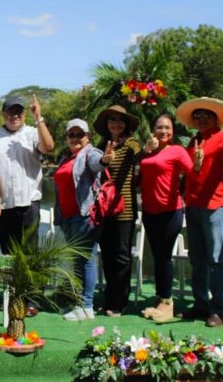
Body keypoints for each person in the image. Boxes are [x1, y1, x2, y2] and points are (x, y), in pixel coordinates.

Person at [175, 97, 223, 327]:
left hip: (216, 204)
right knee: (197, 258)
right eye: (198, 116)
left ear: (215, 118)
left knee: (215, 258)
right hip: (193, 204)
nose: (202, 119)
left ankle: (217, 309)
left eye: (207, 115)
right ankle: (201, 304)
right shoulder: (194, 141)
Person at [0, 95, 54, 317]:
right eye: (10, 111)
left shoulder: (31, 132)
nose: (14, 115)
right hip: (3, 205)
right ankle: (12, 297)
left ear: (24, 114)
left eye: (19, 111)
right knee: (8, 254)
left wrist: (39, 119)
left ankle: (32, 298)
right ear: (3, 114)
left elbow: (49, 146)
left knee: (29, 253)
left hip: (29, 202)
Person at [54, 119, 113, 321]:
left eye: (80, 134)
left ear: (88, 137)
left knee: (86, 259)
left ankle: (86, 305)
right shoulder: (66, 157)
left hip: (85, 216)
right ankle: (80, 303)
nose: (76, 138)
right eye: (72, 134)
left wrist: (105, 160)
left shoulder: (91, 153)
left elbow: (97, 164)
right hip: (68, 217)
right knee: (77, 260)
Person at [138, 113, 195, 323]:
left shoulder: (177, 151)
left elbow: (192, 173)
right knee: (157, 256)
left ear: (173, 131)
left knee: (164, 256)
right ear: (153, 130)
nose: (163, 131)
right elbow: (139, 176)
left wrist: (198, 163)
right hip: (149, 211)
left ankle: (167, 301)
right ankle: (162, 296)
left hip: (170, 211)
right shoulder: (148, 151)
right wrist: (145, 152)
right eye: (159, 127)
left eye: (167, 128)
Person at [93, 105, 142, 317]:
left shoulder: (132, 144)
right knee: (108, 255)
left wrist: (149, 149)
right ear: (106, 124)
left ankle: (120, 300)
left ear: (126, 125)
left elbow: (143, 157)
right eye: (112, 120)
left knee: (122, 256)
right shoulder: (101, 146)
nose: (116, 123)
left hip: (125, 208)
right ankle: (109, 297)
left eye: (120, 120)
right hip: (104, 208)